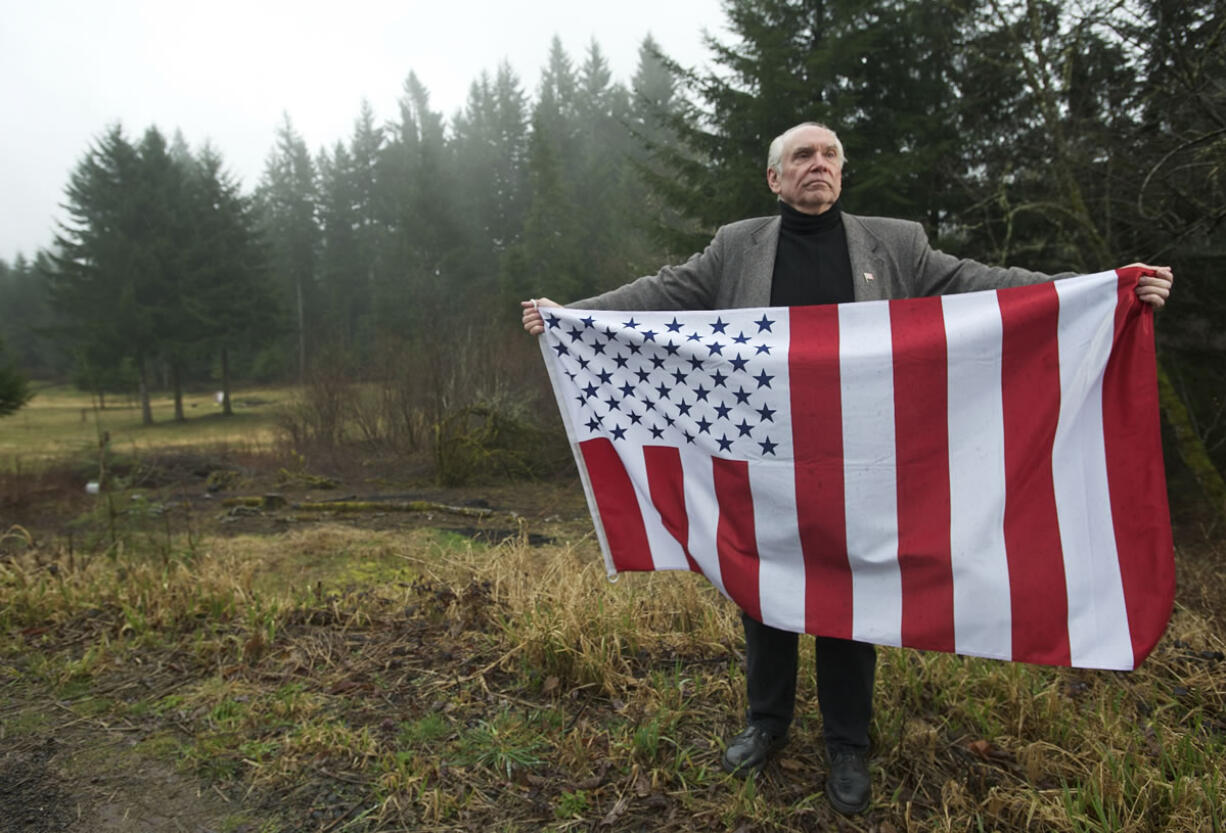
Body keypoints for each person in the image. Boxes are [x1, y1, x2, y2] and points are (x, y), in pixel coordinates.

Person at [520, 122, 1173, 816]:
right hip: (764, 452)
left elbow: (985, 286)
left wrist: (1104, 289)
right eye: (802, 156)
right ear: (775, 178)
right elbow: (665, 292)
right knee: (762, 587)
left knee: (850, 593)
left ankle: (847, 743)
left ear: (842, 172)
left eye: (829, 155)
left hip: (860, 453)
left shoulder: (896, 243)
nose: (818, 165)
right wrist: (573, 316)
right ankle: (765, 724)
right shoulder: (735, 245)